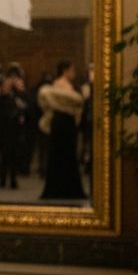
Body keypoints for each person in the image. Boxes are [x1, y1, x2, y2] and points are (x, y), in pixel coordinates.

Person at [38, 59, 87, 200]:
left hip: (64, 123)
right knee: (62, 155)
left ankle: (64, 188)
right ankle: (64, 189)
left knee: (65, 155)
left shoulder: (63, 85)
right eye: (72, 70)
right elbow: (72, 103)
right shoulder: (60, 85)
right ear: (66, 70)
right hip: (63, 123)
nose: (74, 73)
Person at [0, 63, 27, 189]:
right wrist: (3, 91)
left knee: (14, 153)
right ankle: (4, 178)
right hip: (4, 124)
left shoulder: (20, 90)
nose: (13, 80)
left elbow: (26, 104)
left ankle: (12, 178)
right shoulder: (1, 88)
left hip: (15, 125)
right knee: (5, 153)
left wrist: (19, 91)